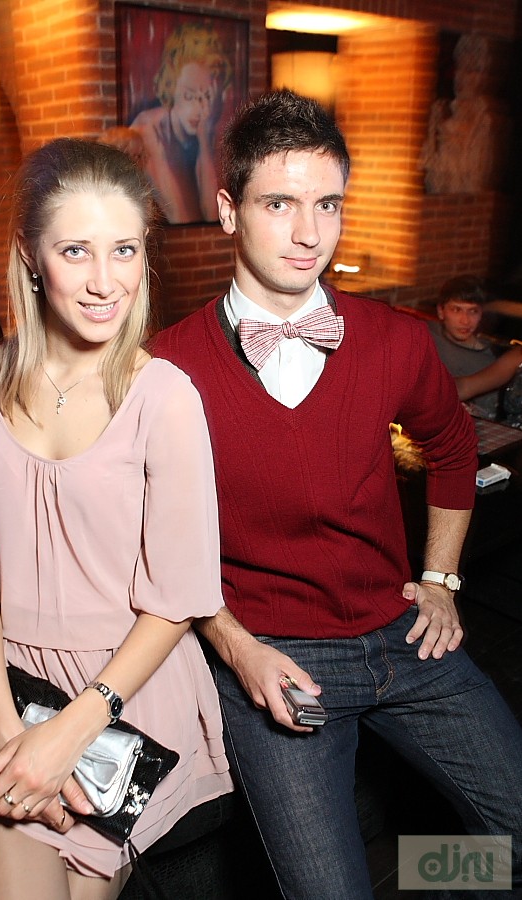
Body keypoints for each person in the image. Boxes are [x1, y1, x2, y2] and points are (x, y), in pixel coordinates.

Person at [151, 89, 522, 899]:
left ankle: (429, 881)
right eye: (278, 204)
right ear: (228, 211)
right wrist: (233, 645)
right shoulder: (166, 368)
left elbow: (451, 444)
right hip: (278, 656)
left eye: (327, 204)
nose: (308, 233)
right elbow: (152, 541)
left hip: (405, 636)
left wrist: (440, 578)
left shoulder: (394, 339)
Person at [0, 137, 233, 900]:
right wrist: (8, 736)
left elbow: (176, 597)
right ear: (29, 256)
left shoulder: (165, 397)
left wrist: (70, 734)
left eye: (124, 250)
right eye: (76, 251)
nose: (106, 282)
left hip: (126, 693)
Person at [129, 22, 232, 224]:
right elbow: (181, 216)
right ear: (171, 88)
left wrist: (204, 141)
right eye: (189, 96)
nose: (198, 109)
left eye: (206, 97)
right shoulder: (149, 131)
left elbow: (215, 216)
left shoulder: (210, 129)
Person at [428, 274, 522, 419]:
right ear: (441, 311)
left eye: (473, 311)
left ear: (481, 314)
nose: (465, 321)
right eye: (456, 310)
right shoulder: (426, 333)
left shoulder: (492, 358)